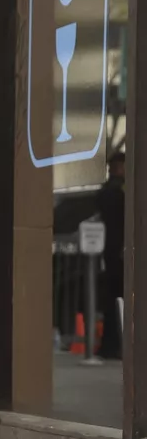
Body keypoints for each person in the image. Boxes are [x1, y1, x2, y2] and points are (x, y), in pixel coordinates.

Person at [97, 152, 125, 359]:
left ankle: (110, 345)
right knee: (117, 299)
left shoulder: (107, 191)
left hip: (112, 252)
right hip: (118, 253)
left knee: (112, 300)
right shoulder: (117, 191)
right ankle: (112, 345)